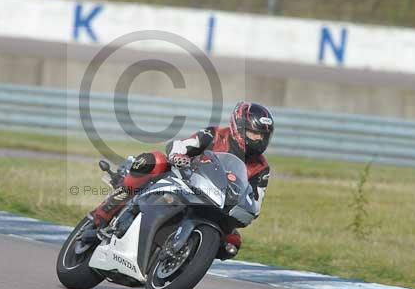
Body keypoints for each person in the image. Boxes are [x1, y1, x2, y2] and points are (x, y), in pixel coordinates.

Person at [85, 102, 274, 258]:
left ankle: (187, 255)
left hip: (218, 204)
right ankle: (102, 214)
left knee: (232, 243)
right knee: (154, 161)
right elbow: (183, 145)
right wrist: (178, 156)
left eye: (263, 136)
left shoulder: (261, 168)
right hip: (185, 181)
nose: (258, 140)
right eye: (253, 133)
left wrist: (245, 208)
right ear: (238, 127)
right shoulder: (215, 135)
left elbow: (255, 203)